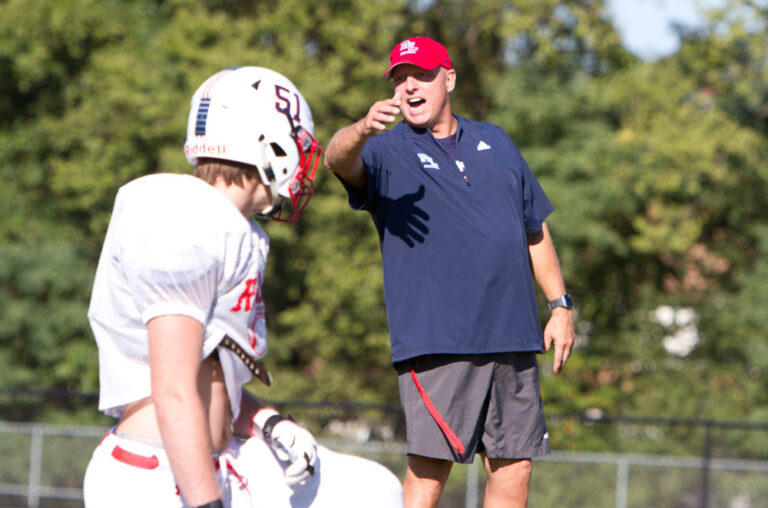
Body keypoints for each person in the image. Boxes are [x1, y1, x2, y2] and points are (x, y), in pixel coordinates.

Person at [83, 66, 403, 508]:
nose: (304, 161)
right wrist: (205, 503)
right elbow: (175, 388)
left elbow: (211, 378)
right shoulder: (184, 217)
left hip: (223, 459)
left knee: (373, 490)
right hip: (157, 477)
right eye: (297, 145)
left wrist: (270, 422)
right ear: (268, 143)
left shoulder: (233, 227)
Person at [324, 37, 575, 507]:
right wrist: (360, 130)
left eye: (420, 75)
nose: (409, 87)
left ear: (449, 78)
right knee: (429, 470)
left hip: (514, 336)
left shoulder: (496, 141)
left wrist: (560, 306)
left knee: (514, 465)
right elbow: (337, 158)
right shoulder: (385, 152)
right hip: (440, 341)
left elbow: (534, 228)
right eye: (399, 79)